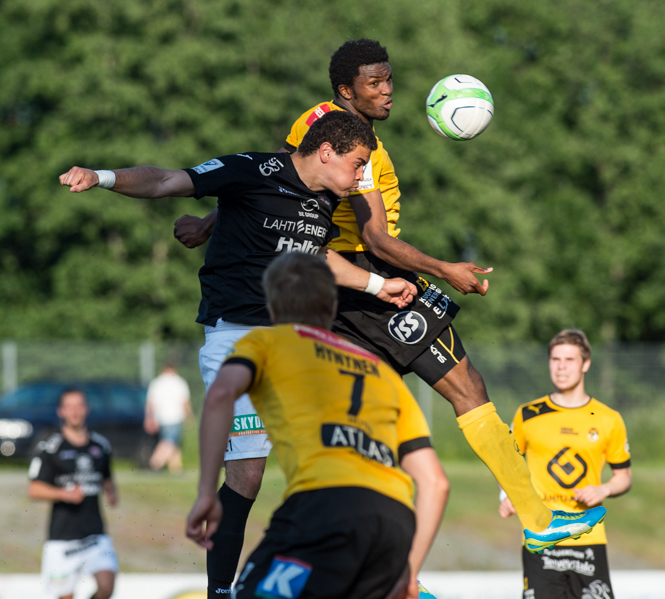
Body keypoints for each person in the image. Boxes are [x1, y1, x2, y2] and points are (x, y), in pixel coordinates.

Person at [174, 39, 605, 588]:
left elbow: (275, 182)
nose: (387, 92)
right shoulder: (347, 140)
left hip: (340, 286)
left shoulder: (332, 130)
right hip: (365, 277)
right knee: (466, 388)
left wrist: (209, 222)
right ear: (345, 90)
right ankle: (537, 522)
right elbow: (368, 231)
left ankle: (384, 575)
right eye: (374, 83)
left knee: (365, 429)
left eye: (389, 80)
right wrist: (444, 269)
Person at [59, 111, 417, 596]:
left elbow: (315, 255)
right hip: (239, 338)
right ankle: (221, 590)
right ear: (326, 152)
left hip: (298, 345)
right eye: (357, 164)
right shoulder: (252, 169)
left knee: (341, 455)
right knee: (248, 473)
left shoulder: (327, 201)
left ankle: (362, 576)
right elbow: (166, 181)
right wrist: (100, 176)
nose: (361, 177)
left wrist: (378, 285)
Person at [187, 252, 449, 599]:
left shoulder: (268, 342)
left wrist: (207, 492)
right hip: (394, 522)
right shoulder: (381, 373)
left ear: (272, 309)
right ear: (332, 307)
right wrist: (409, 574)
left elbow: (221, 394)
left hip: (325, 508)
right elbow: (435, 483)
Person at [499, 329, 631, 599]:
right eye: (555, 359)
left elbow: (624, 477)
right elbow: (507, 464)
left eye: (570, 359)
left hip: (588, 537)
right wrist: (506, 495)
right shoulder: (528, 414)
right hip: (540, 536)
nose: (561, 366)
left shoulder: (608, 418)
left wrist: (603, 489)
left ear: (586, 364)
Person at [28, 388, 119, 599]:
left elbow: (107, 478)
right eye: (70, 407)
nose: (75, 412)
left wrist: (111, 492)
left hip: (95, 534)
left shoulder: (100, 445)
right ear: (61, 412)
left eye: (79, 406)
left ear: (86, 409)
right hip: (63, 539)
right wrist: (65, 494)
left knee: (107, 585)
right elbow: (34, 489)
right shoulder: (50, 448)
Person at [145, 363, 193, 473]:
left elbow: (150, 403)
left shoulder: (156, 382)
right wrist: (189, 416)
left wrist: (149, 418)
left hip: (160, 418)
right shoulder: (179, 382)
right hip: (175, 417)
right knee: (169, 443)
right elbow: (185, 402)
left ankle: (176, 469)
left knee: (174, 443)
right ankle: (154, 464)